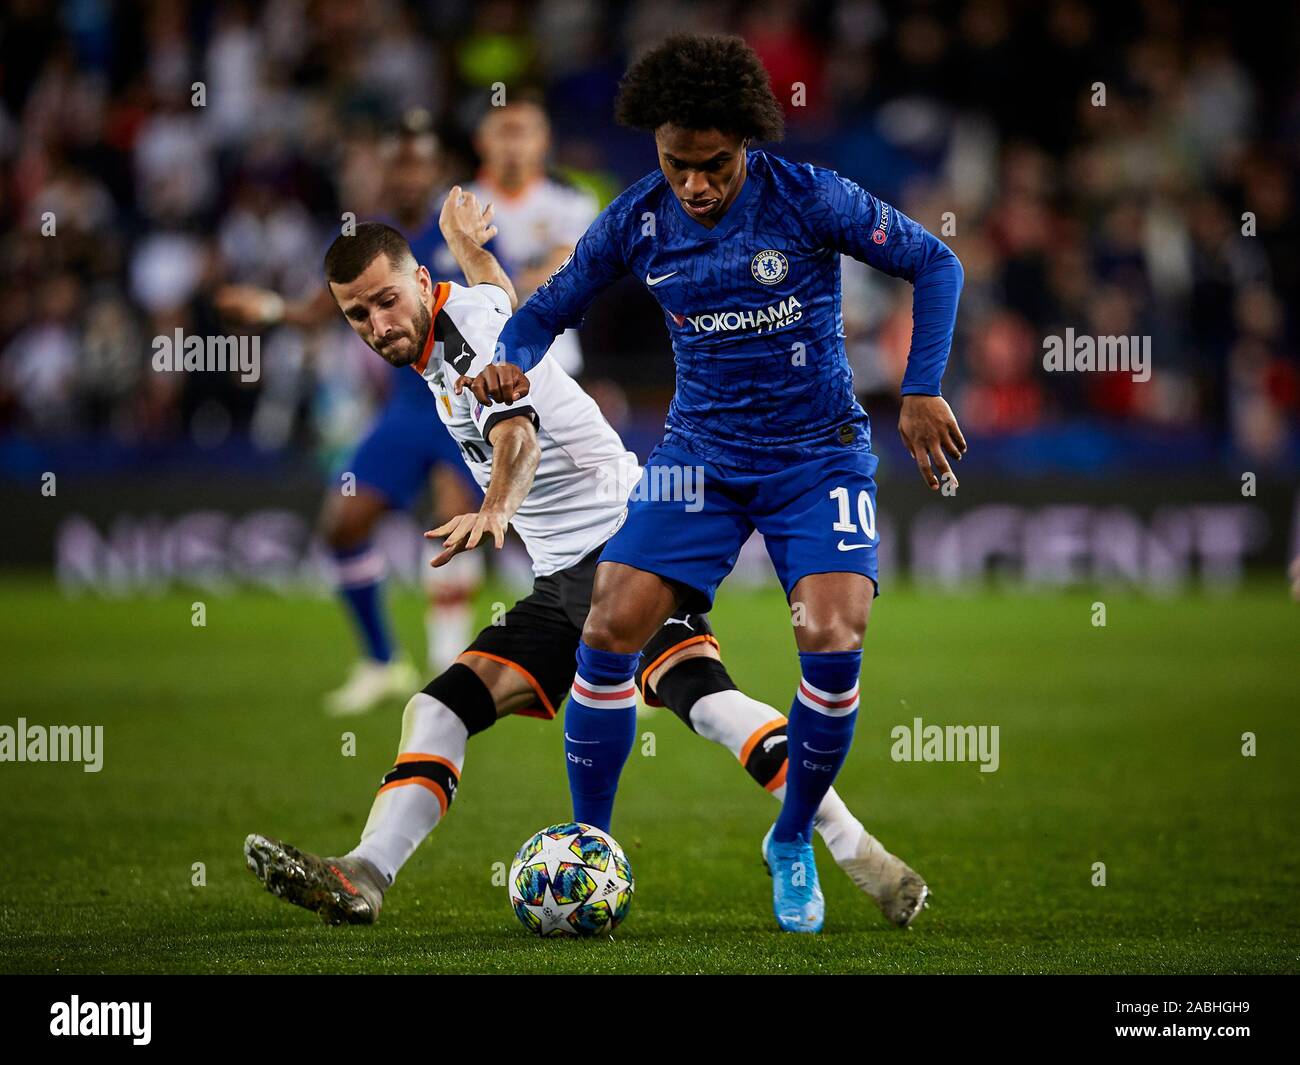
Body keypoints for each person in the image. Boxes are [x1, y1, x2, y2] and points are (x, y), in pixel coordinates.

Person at [243, 200, 928, 931]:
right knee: (440, 707)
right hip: (565, 575)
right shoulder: (459, 310)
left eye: (385, 300)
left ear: (417, 281)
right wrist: (465, 247)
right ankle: (365, 873)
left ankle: (864, 855)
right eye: (357, 315)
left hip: (626, 548)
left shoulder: (467, 345)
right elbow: (498, 294)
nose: (378, 324)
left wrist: (498, 508)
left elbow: (517, 438)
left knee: (710, 702)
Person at [462, 34, 965, 933]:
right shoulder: (637, 219)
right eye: (676, 164)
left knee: (835, 638)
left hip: (817, 454)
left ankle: (792, 835)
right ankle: (590, 846)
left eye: (714, 165)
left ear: (747, 141)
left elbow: (936, 260)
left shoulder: (810, 197)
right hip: (700, 458)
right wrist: (508, 360)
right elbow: (546, 308)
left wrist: (922, 385)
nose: (694, 184)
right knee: (610, 625)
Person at [216, 113, 489, 713]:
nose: (407, 172)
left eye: (417, 160)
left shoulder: (464, 225)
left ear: (436, 166)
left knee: (451, 522)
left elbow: (509, 294)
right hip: (407, 411)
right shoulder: (372, 239)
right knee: (341, 525)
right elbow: (320, 311)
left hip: (467, 403)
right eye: (397, 161)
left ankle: (451, 671)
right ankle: (383, 663)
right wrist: (265, 308)